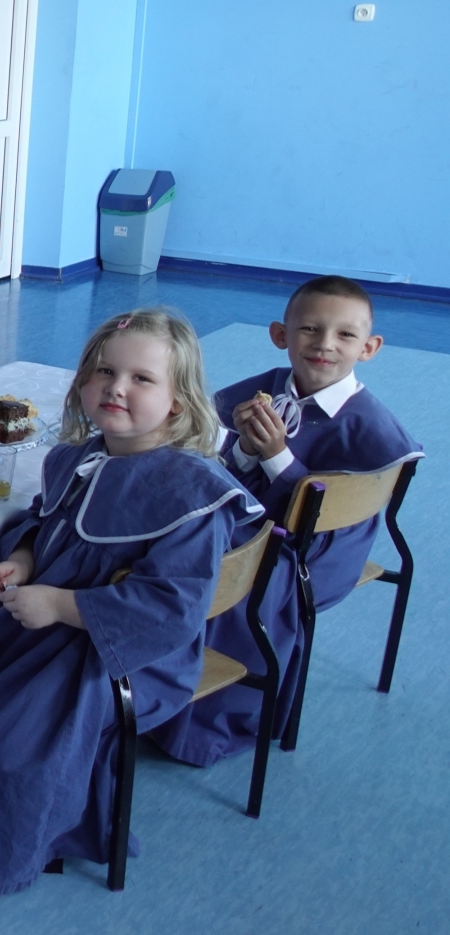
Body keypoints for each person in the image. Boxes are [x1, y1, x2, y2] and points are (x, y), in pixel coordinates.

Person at [0, 309, 262, 895]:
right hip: (50, 615)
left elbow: (169, 609)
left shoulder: (192, 493)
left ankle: (8, 853)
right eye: (104, 371)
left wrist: (60, 606)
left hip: (127, 654)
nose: (116, 388)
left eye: (142, 379)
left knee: (19, 738)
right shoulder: (75, 458)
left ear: (178, 402)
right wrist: (23, 559)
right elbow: (44, 520)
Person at [153, 276, 421, 766]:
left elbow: (327, 520)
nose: (324, 344)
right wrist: (247, 450)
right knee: (170, 544)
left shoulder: (371, 428)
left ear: (369, 348)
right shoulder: (266, 390)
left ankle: (200, 724)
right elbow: (218, 462)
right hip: (260, 524)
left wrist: (277, 456)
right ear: (281, 335)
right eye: (310, 329)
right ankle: (152, 688)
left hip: (317, 556)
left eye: (345, 335)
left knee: (227, 578)